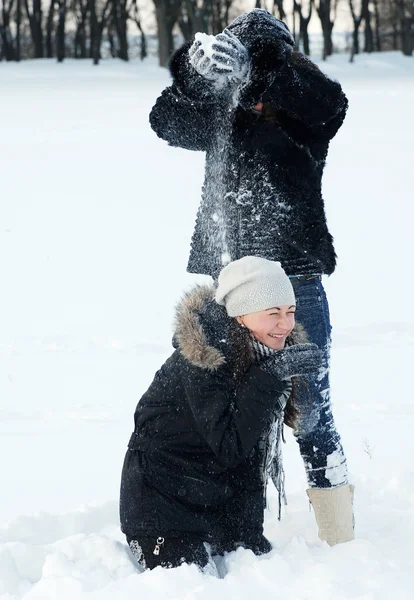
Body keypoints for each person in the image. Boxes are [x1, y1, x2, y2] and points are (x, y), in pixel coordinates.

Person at [149, 9, 354, 541]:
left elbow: (329, 101)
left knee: (310, 416)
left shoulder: (307, 116)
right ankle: (230, 526)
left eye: (252, 60)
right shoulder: (224, 110)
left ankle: (340, 538)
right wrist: (196, 77)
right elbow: (166, 123)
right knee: (223, 415)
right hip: (232, 287)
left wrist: (265, 67)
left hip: (295, 284)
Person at [120, 257, 352, 572]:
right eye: (273, 314)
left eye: (290, 312)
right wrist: (269, 377)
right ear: (241, 316)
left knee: (258, 574)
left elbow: (250, 456)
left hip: (212, 499)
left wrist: (248, 533)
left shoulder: (264, 352)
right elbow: (230, 444)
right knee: (188, 586)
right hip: (161, 506)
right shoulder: (206, 358)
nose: (285, 325)